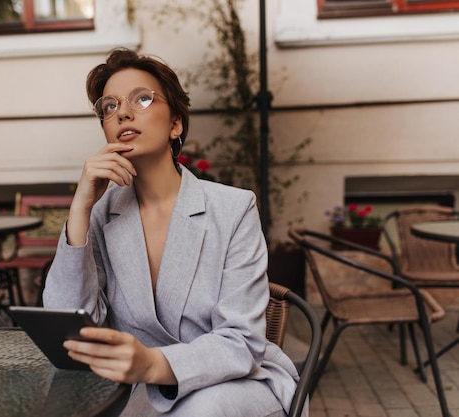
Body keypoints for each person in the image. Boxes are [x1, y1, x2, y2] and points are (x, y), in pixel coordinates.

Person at [42, 47, 304, 417]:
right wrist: (79, 209)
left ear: (175, 124)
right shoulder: (101, 214)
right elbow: (69, 330)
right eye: (110, 107)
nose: (124, 113)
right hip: (137, 389)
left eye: (142, 99)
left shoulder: (233, 208)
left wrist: (153, 363)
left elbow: (242, 343)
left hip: (231, 385)